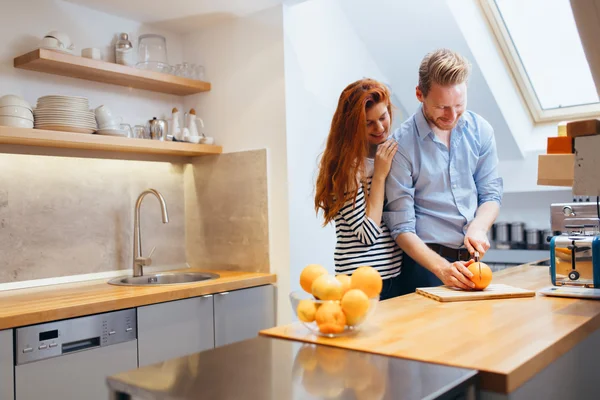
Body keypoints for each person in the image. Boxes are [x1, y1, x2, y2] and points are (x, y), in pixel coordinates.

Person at [383, 48, 503, 293]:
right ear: (420, 94)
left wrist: (478, 227)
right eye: (442, 107)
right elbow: (401, 228)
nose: (452, 115)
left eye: (459, 105)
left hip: (471, 262)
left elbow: (490, 195)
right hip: (424, 267)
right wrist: (441, 269)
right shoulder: (401, 146)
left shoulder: (481, 130)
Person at [315, 78, 404, 300]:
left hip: (393, 276)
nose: (380, 127)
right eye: (368, 123)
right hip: (359, 282)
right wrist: (380, 176)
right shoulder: (347, 169)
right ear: (352, 126)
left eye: (383, 117)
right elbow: (367, 234)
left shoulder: (386, 153)